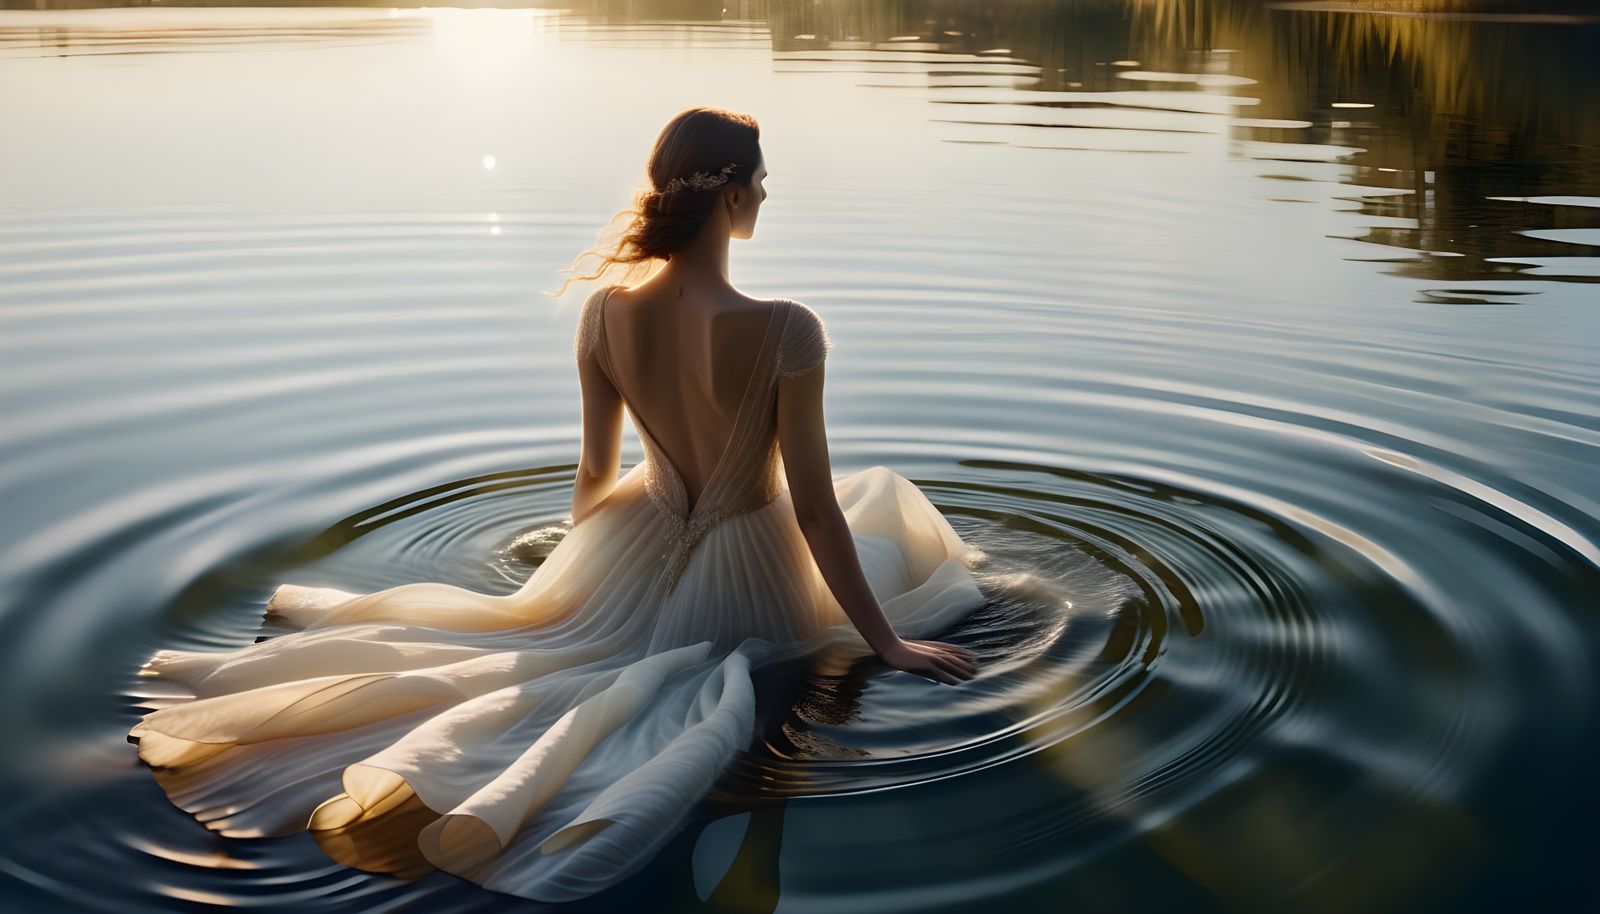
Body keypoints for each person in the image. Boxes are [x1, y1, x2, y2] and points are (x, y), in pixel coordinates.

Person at [127, 105, 988, 903]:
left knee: (551, 650)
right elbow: (813, 511)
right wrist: (889, 644)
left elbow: (591, 475)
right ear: (730, 193)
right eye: (759, 180)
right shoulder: (789, 328)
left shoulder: (603, 314)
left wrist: (588, 579)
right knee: (894, 524)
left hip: (634, 531)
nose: (764, 193)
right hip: (751, 561)